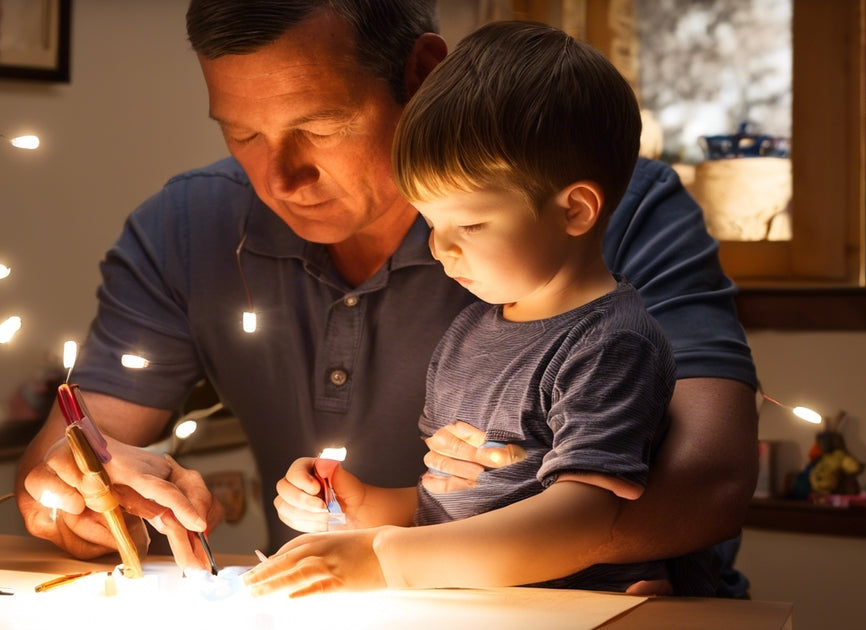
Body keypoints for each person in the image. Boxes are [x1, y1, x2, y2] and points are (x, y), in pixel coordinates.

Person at [14, 0, 758, 595]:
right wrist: (82, 491)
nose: (280, 178)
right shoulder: (186, 228)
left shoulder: (603, 219)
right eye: (241, 134)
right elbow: (70, 453)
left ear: (422, 73)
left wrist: (391, 553)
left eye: (321, 126)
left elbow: (713, 480)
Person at [243, 20, 675, 596]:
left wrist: (385, 560)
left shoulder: (608, 345)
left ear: (574, 210)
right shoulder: (470, 331)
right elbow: (450, 505)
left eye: (469, 223)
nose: (438, 247)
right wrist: (363, 505)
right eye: (429, 222)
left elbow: (583, 521)